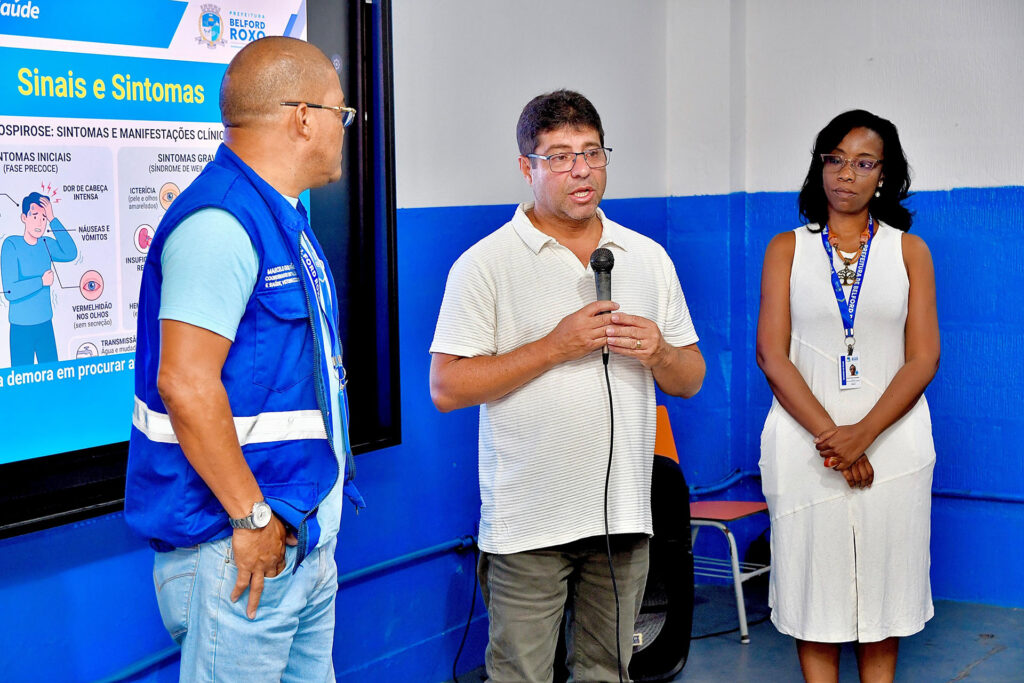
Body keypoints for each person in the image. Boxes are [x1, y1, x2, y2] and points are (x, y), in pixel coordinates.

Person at [430, 89, 705, 682]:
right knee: (521, 675)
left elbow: (690, 378)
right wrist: (555, 347)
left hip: (624, 519)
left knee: (610, 673)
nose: (580, 170)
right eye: (558, 156)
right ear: (526, 167)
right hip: (529, 524)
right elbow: (447, 386)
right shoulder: (485, 264)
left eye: (592, 152)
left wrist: (658, 350)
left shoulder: (647, 257)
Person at [125, 36, 363, 681]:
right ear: (303, 117)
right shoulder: (222, 222)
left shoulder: (281, 217)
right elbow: (184, 382)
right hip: (239, 548)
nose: (344, 130)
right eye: (340, 114)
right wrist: (253, 517)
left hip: (296, 537)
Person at [756, 110, 939, 682]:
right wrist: (834, 440)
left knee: (883, 597)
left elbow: (924, 358)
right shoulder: (786, 248)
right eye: (834, 159)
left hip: (894, 445)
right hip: (805, 443)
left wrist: (864, 436)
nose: (846, 174)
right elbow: (771, 355)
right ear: (819, 166)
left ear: (884, 175)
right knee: (816, 595)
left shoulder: (911, 253)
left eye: (863, 163)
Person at [1, 192, 77, 366]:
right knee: (22, 381)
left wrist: (53, 218)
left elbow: (71, 252)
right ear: (24, 217)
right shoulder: (11, 245)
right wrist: (40, 282)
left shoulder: (46, 243)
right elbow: (10, 291)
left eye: (43, 218)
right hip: (21, 328)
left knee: (52, 379)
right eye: (35, 216)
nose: (40, 223)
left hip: (45, 325)